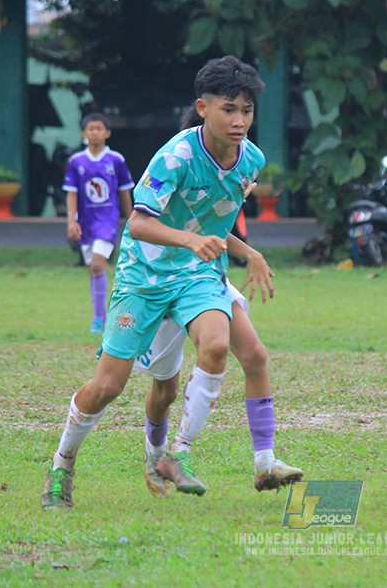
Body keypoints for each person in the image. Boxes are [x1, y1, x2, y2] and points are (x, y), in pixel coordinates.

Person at [42, 56, 269, 510]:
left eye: (246, 110)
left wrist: (248, 252)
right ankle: (62, 464)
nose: (240, 120)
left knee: (217, 347)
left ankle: (173, 456)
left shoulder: (251, 161)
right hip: (144, 276)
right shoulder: (175, 156)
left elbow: (212, 224)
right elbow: (140, 224)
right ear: (202, 107)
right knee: (108, 386)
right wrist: (190, 239)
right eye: (229, 109)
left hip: (196, 275)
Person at [137, 231, 303, 497]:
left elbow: (211, 221)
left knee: (255, 356)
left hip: (208, 279)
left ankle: (265, 461)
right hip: (166, 280)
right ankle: (155, 455)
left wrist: (251, 253)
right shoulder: (163, 188)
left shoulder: (233, 187)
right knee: (165, 390)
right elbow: (158, 223)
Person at [62, 113, 134, 333]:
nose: (95, 132)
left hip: (107, 220)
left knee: (96, 264)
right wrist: (71, 221)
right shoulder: (76, 162)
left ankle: (98, 319)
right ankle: (100, 315)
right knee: (94, 269)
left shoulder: (116, 160)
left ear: (107, 133)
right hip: (86, 222)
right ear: (84, 133)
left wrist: (132, 220)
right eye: (90, 129)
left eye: (99, 128)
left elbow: (124, 192)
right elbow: (72, 193)